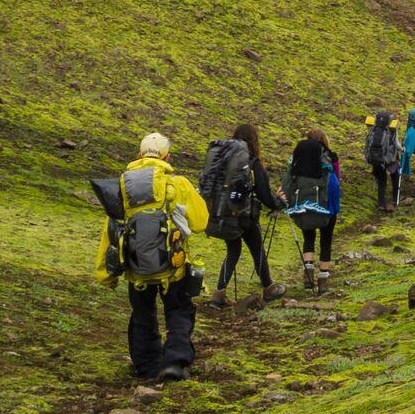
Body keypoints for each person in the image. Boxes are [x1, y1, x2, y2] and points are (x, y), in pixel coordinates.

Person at [96, 132, 208, 382]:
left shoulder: (123, 186)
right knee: (179, 310)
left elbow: (111, 231)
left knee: (142, 313)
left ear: (139, 155)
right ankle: (175, 362)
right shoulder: (177, 184)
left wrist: (106, 274)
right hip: (174, 267)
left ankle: (146, 366)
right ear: (168, 156)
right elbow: (201, 222)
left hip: (136, 269)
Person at [201, 122, 284, 309]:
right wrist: (279, 202)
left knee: (233, 251)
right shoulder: (253, 164)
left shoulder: (224, 163)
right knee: (257, 250)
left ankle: (219, 293)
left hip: (225, 214)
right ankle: (268, 288)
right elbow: (264, 195)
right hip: (246, 216)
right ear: (254, 141)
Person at [284, 131, 342, 289]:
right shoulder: (330, 157)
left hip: (303, 204)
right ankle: (323, 282)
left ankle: (308, 277)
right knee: (326, 240)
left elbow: (289, 179)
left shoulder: (298, 158)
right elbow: (336, 179)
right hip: (327, 205)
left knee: (308, 238)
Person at [363, 110, 401, 211]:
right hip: (390, 160)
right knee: (395, 176)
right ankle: (394, 199)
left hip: (377, 159)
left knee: (381, 180)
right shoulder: (392, 130)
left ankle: (381, 203)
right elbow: (397, 145)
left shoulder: (374, 129)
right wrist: (403, 149)